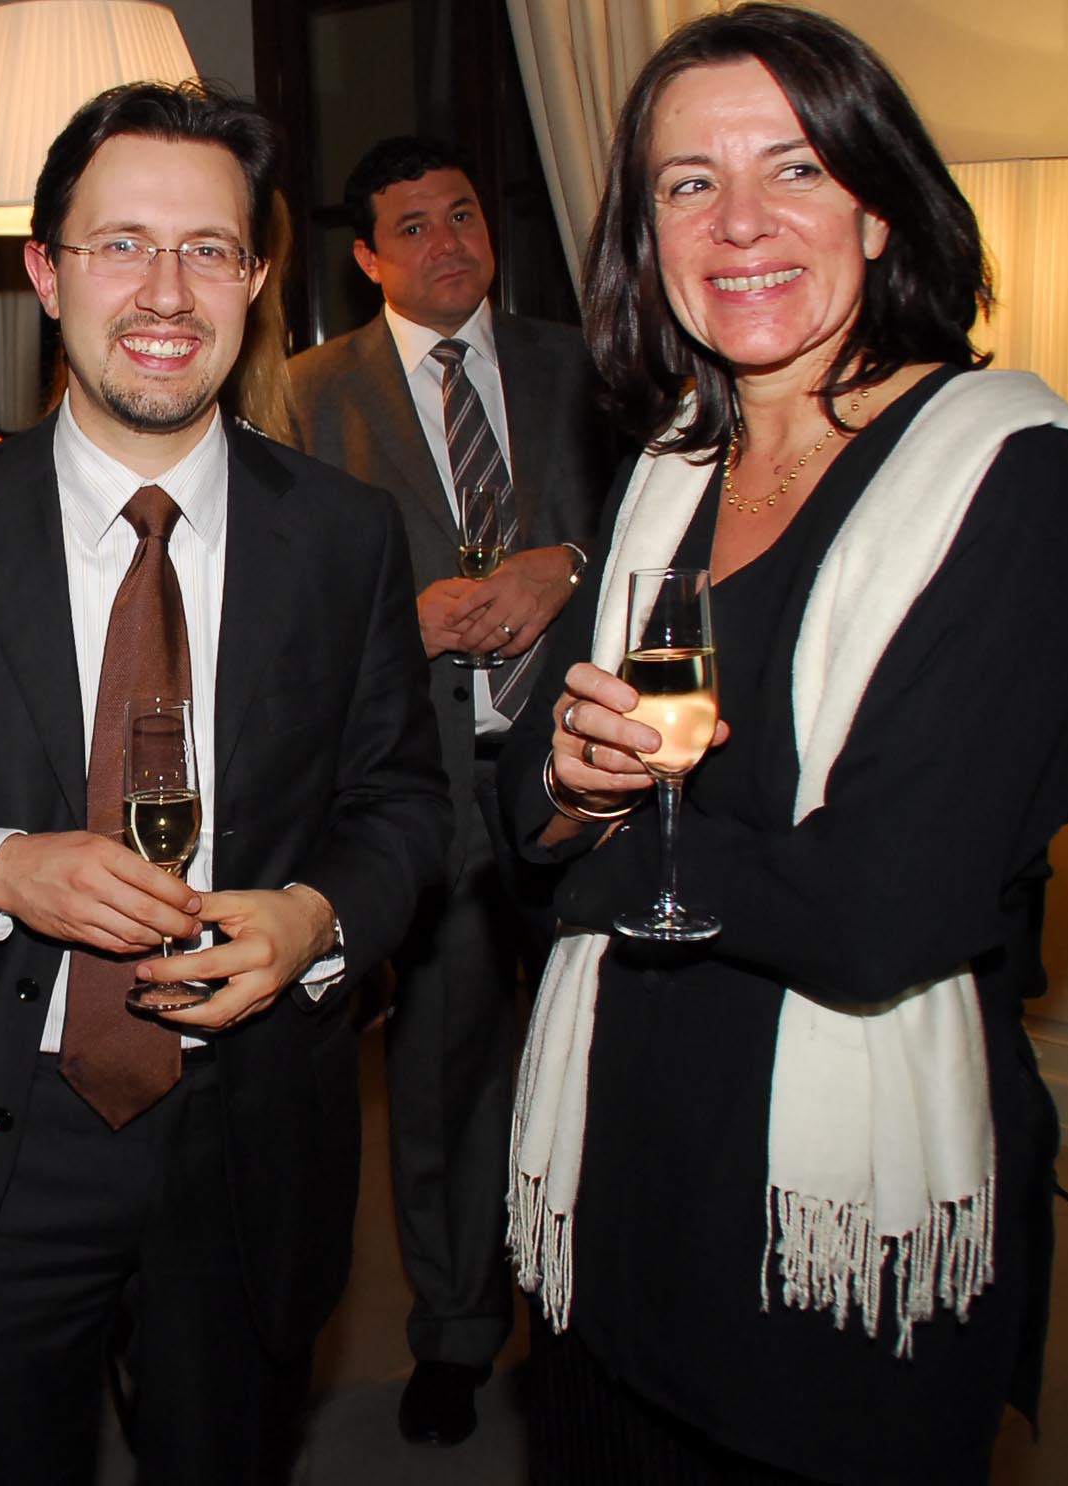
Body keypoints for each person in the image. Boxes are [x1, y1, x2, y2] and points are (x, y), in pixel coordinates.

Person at [0, 80, 450, 1485]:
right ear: (45, 269)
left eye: (208, 248)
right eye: (121, 241)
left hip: (250, 1138)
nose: (165, 289)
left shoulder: (346, 539)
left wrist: (314, 917)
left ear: (255, 280)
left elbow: (408, 805)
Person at [501, 2, 1068, 1483]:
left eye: (793, 167)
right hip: (618, 1160)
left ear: (883, 205)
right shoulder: (666, 470)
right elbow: (521, 787)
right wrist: (568, 791)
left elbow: (877, 912)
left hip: (831, 1216)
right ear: (646, 237)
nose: (740, 223)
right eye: (688, 183)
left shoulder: (1003, 473)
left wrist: (594, 856)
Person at [286, 135, 617, 1446]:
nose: (446, 243)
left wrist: (568, 565)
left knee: (602, 1059)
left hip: (580, 776)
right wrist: (395, 620)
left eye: (462, 214)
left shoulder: (582, 363)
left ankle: (592, 1329)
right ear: (367, 257)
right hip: (422, 782)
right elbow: (284, 594)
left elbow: (668, 525)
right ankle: (455, 1334)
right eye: (411, 227)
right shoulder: (309, 394)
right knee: (439, 1079)